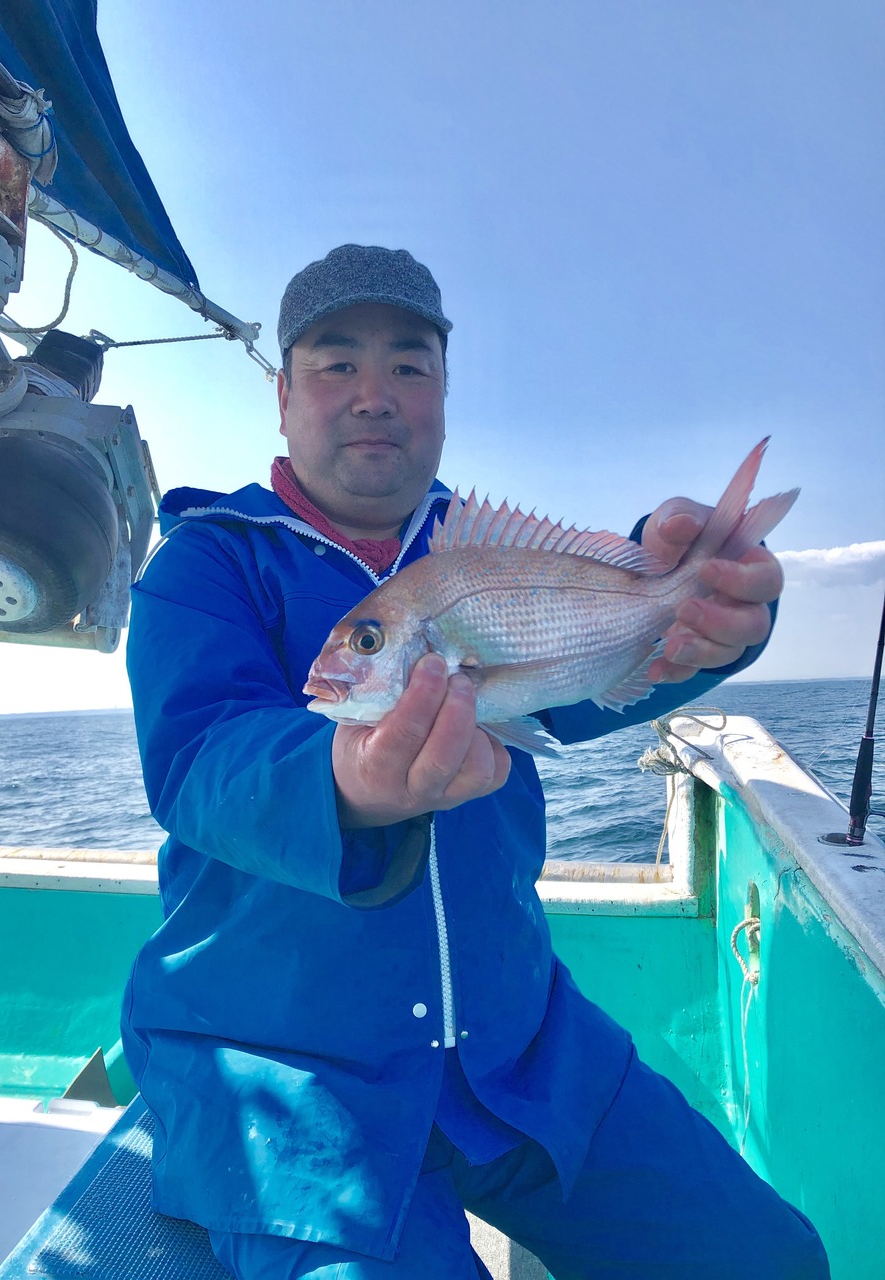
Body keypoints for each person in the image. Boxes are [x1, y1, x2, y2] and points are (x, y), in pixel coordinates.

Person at [122, 245, 828, 1279]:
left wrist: (706, 609)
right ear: (283, 396)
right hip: (285, 1069)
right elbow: (199, 758)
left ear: (444, 395)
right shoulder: (207, 561)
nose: (374, 393)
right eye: (336, 362)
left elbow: (583, 668)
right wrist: (348, 782)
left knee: (767, 1258)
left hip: (519, 1040)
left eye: (409, 365)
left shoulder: (484, 559)